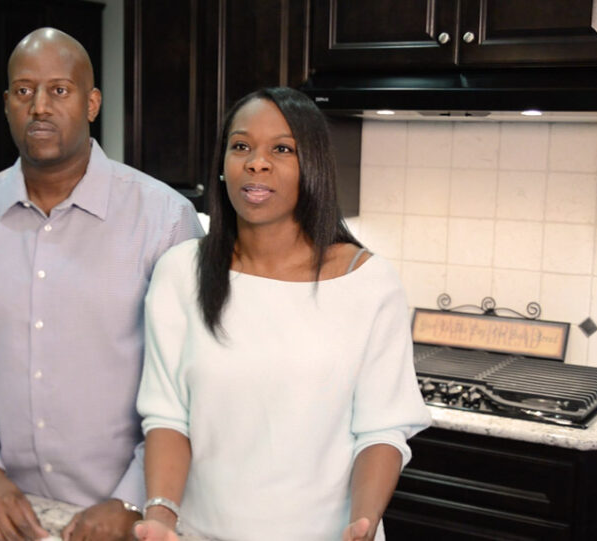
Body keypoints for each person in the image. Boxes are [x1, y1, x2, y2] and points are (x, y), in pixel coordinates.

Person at [0, 28, 203, 541]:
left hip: (138, 519)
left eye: (59, 90)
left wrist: (134, 498)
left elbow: (195, 381)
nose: (39, 106)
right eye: (24, 91)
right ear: (6, 104)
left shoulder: (166, 221)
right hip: (11, 515)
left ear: (92, 103)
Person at [131, 87, 432, 541]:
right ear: (222, 165)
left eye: (282, 149)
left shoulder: (368, 282)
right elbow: (168, 418)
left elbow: (382, 431)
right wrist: (160, 517)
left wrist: (363, 525)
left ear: (311, 166)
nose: (256, 162)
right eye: (241, 146)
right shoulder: (180, 272)